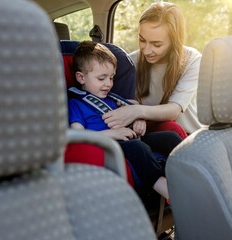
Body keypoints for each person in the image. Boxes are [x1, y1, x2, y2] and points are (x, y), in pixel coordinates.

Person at [68, 40, 182, 199]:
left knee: (169, 138)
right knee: (137, 147)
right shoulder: (76, 104)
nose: (108, 84)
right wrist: (112, 134)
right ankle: (169, 193)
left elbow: (133, 109)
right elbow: (78, 136)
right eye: (102, 78)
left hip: (131, 137)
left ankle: (188, 179)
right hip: (109, 146)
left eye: (111, 77)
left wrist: (138, 118)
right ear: (81, 78)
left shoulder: (112, 98)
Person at [102, 2, 202, 135]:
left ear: (174, 42)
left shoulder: (192, 59)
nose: (147, 50)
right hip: (151, 134)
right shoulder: (130, 62)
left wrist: (136, 111)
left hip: (189, 135)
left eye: (157, 44)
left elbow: (174, 109)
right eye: (142, 40)